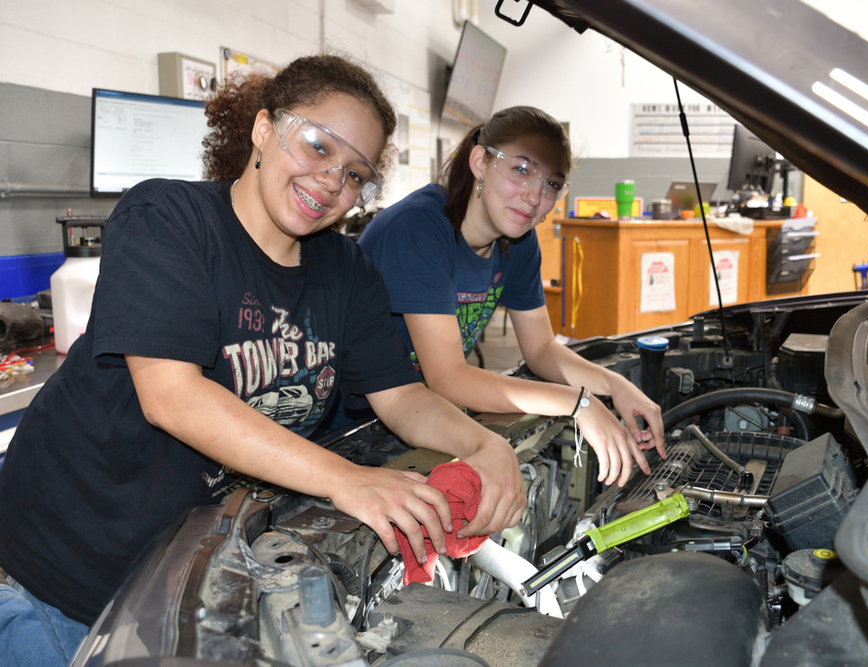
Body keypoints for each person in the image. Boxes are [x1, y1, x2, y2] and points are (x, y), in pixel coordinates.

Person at [0, 54, 524, 664]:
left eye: (356, 174)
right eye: (319, 147)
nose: (333, 181)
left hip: (193, 575)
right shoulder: (169, 220)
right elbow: (172, 394)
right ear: (263, 128)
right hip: (71, 574)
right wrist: (348, 480)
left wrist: (489, 447)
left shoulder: (345, 270)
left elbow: (402, 396)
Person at [358, 106, 667, 490]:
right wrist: (579, 403)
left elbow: (541, 349)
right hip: (353, 430)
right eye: (521, 169)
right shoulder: (418, 229)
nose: (535, 195)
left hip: (422, 418)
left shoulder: (518, 242)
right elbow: (449, 378)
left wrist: (616, 386)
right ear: (479, 162)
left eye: (553, 183)